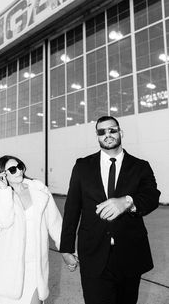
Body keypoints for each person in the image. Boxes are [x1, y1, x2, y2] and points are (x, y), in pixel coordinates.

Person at [60, 115, 161, 304]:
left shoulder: (140, 166)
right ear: (97, 137)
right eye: (102, 131)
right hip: (93, 253)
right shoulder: (82, 166)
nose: (108, 135)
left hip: (130, 254)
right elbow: (72, 207)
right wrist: (66, 248)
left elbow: (152, 196)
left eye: (112, 130)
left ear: (120, 133)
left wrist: (128, 201)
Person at [0, 155, 62, 304]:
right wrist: (4, 191)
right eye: (13, 169)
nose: (19, 171)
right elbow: (2, 221)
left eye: (20, 166)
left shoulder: (39, 189)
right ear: (3, 174)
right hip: (8, 267)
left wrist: (67, 249)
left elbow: (55, 222)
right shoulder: (0, 196)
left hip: (35, 265)